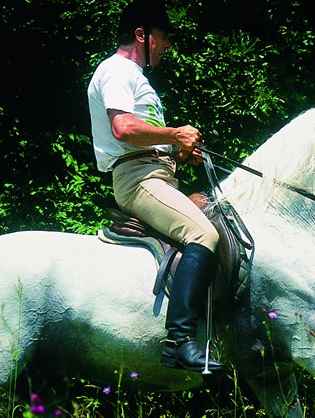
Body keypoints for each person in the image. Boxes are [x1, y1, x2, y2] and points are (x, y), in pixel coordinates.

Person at [87, 0, 222, 373]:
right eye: (162, 38)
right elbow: (124, 129)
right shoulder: (117, 70)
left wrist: (177, 153)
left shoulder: (135, 77)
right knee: (203, 234)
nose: (166, 46)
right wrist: (175, 134)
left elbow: (143, 138)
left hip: (156, 173)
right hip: (137, 179)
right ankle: (179, 341)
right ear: (141, 36)